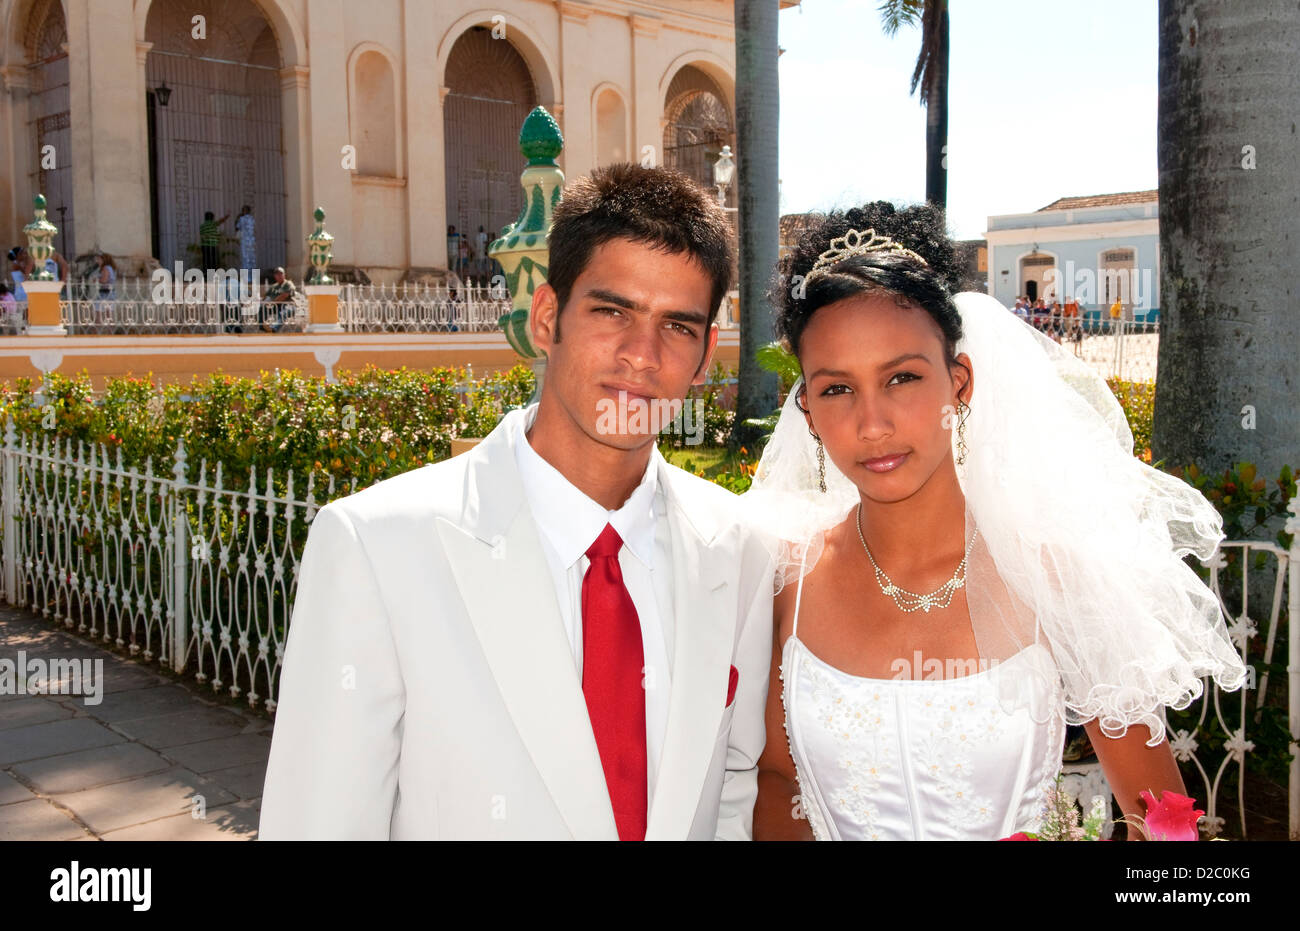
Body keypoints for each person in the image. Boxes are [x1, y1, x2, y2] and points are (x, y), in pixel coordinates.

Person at [259, 163, 775, 840]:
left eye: (677, 326)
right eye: (612, 310)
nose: (641, 355)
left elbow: (734, 786)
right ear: (545, 318)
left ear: (707, 354)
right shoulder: (376, 547)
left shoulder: (739, 548)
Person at [747, 203, 1245, 841]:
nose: (873, 425)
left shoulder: (1055, 576)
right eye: (837, 389)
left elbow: (1162, 822)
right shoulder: (787, 580)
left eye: (902, 377)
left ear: (959, 382)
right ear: (809, 411)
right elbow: (780, 785)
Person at [260, 266, 295, 332]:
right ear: (274, 276)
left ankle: (274, 328)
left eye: (280, 274)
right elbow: (265, 296)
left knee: (283, 313)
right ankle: (262, 326)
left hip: (289, 305)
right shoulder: (274, 286)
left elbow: (284, 296)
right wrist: (263, 302)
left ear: (284, 275)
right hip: (277, 306)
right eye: (277, 274)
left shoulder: (288, 284)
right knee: (262, 307)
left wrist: (272, 302)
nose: (279, 276)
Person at [235, 205, 256, 273]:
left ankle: (246, 277)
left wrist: (238, 217)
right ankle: (253, 276)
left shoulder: (241, 219)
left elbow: (237, 227)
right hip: (252, 240)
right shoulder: (252, 219)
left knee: (245, 258)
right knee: (252, 258)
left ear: (243, 211)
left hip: (244, 240)